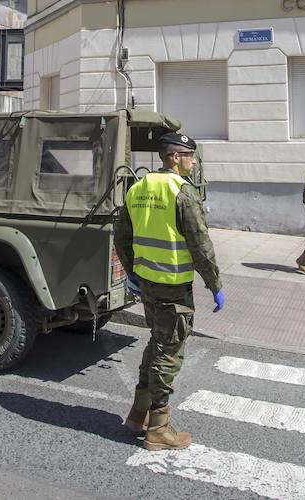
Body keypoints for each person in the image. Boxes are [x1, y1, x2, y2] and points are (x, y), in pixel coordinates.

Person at [114, 131, 224, 451]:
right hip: (173, 287)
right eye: (189, 155)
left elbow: (122, 236)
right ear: (174, 157)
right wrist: (215, 284)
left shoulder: (139, 187)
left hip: (147, 283)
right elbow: (201, 246)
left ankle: (138, 415)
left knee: (157, 342)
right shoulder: (183, 192)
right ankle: (159, 429)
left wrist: (134, 272)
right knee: (169, 351)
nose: (193, 160)